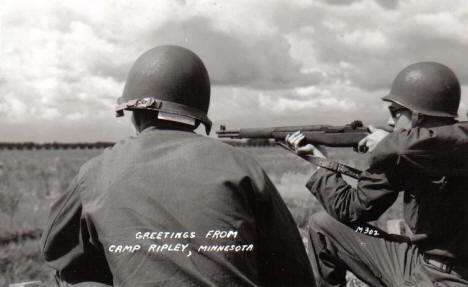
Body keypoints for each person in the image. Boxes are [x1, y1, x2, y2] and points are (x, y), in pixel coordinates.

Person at [41, 45, 314, 287]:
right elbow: (293, 270)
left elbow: (56, 251)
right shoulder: (241, 165)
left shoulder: (96, 171)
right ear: (197, 114)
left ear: (133, 112)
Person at [287, 62, 468, 286]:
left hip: (456, 278)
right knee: (324, 225)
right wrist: (320, 163)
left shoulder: (459, 143)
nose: (390, 122)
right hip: (418, 261)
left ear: (418, 116)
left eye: (396, 113)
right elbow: (353, 209)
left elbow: (447, 141)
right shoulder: (398, 152)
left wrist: (389, 143)